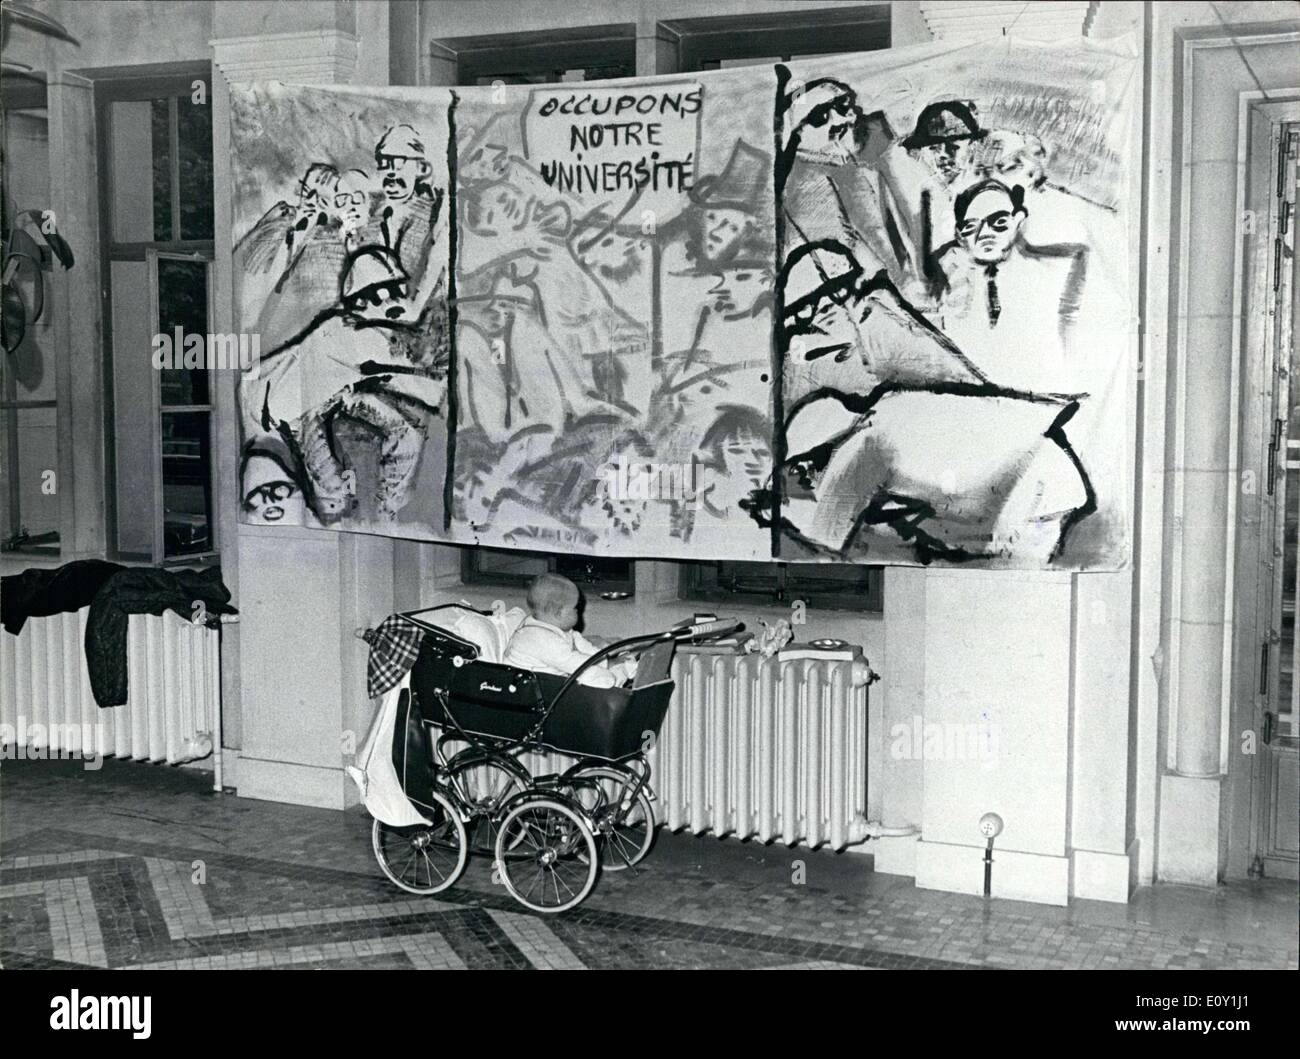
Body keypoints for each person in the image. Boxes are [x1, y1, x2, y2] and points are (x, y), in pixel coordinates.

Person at [503, 574, 637, 689]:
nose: (578, 610)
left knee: (606, 668)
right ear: (559, 613)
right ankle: (617, 682)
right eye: (574, 607)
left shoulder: (552, 627)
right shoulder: (539, 638)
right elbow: (575, 663)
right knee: (601, 678)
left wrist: (607, 660)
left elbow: (584, 647)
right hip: (531, 690)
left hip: (551, 679)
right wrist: (607, 668)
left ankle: (621, 673)